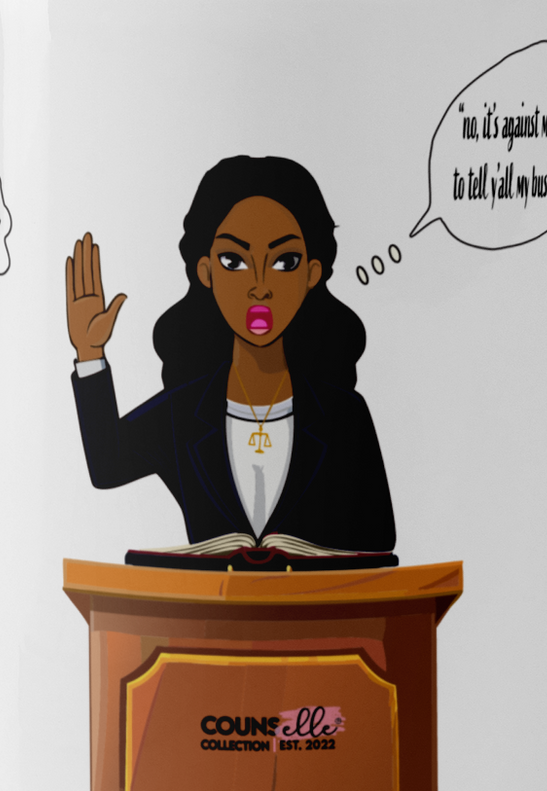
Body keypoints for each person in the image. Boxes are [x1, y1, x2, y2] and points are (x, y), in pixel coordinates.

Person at [64, 155, 394, 553]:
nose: (259, 286)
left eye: (284, 262)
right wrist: (89, 354)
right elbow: (108, 463)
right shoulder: (185, 412)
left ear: (312, 274)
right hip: (207, 616)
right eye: (233, 261)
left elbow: (379, 545)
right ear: (206, 272)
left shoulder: (346, 417)